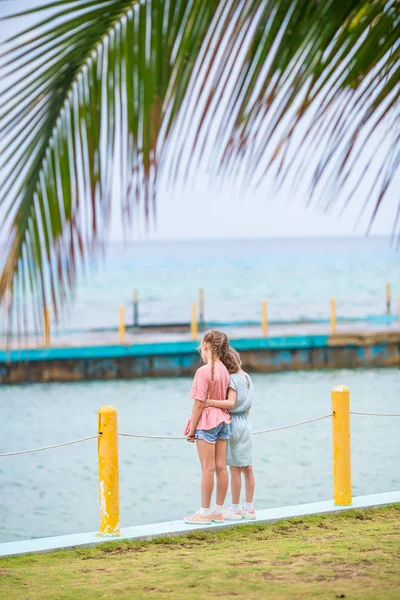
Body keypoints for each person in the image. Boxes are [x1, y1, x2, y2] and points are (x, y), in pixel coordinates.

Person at [183, 330, 231, 525]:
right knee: (221, 467)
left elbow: (198, 404)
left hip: (206, 422)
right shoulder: (225, 370)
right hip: (223, 421)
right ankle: (217, 512)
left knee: (207, 469)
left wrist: (191, 429)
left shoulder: (202, 372)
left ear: (205, 346)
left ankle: (203, 513)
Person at [205, 348, 255, 520]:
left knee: (234, 468)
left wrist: (210, 402)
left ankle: (234, 509)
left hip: (233, 423)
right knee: (247, 467)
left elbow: (231, 403)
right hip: (246, 423)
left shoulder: (233, 379)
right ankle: (249, 508)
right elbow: (248, 406)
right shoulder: (248, 378)